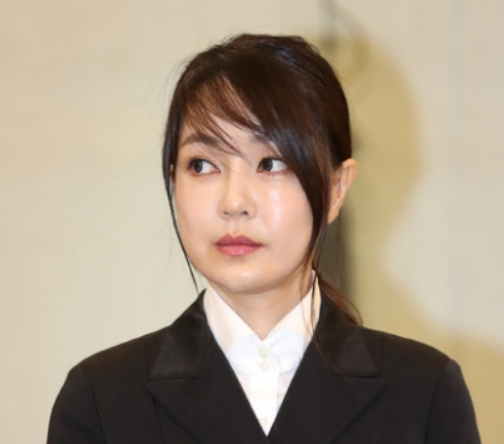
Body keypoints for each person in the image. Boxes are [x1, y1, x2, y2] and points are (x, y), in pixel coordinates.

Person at [47, 34, 480, 444]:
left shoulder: (424, 394)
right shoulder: (101, 401)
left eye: (271, 163)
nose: (234, 202)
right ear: (173, 182)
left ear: (335, 188)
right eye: (202, 165)